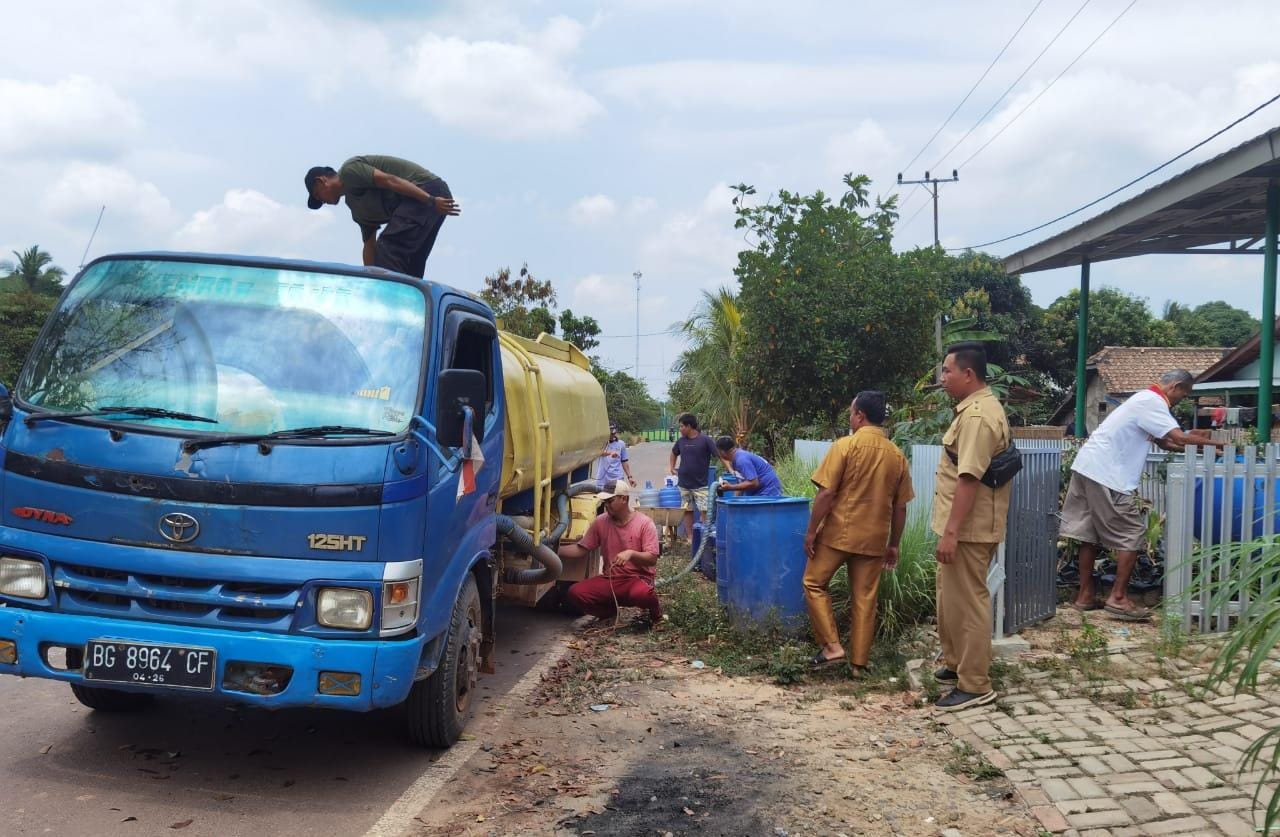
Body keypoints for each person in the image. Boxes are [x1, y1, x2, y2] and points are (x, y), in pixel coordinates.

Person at [1063, 369, 1226, 621]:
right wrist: (1221, 445)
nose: (1181, 400)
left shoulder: (1141, 400)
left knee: (1090, 535)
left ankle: (1085, 596)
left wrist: (1205, 448)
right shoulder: (1153, 402)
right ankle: (1117, 598)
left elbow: (1164, 443)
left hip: (1087, 467)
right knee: (1133, 533)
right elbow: (1179, 438)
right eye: (1184, 394)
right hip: (1108, 474)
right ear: (1176, 386)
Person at [802, 391, 913, 676]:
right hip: (875, 539)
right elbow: (900, 508)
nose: (850, 418)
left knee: (814, 583)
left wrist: (812, 531)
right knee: (865, 598)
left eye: (851, 413)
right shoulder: (897, 455)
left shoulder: (845, 446)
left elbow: (826, 494)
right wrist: (894, 544)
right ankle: (859, 665)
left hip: (839, 533)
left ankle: (832, 647)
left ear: (860, 416)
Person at [931, 342, 1012, 712]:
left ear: (968, 374)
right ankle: (956, 663)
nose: (942, 378)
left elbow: (969, 478)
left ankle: (976, 683)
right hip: (960, 526)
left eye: (947, 371)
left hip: (968, 529)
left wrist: (952, 532)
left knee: (968, 600)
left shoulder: (978, 416)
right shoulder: (970, 411)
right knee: (950, 597)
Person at [304, 154, 460, 278]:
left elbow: (390, 180)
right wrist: (370, 280)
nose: (323, 202)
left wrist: (431, 200)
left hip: (426, 190)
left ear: (321, 181)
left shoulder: (349, 171)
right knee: (411, 263)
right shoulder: (356, 206)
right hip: (428, 200)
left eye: (318, 195)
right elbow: (369, 245)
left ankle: (392, 298)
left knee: (388, 249)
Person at [559, 481, 662, 628]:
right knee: (576, 593)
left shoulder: (645, 523)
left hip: (637, 579)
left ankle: (656, 616)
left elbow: (652, 559)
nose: (606, 505)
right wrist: (553, 551)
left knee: (642, 594)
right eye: (604, 501)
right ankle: (609, 615)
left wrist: (631, 554)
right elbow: (581, 549)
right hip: (611, 579)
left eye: (610, 501)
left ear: (624, 499)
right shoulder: (601, 522)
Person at [668, 413, 719, 545]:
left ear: (689, 426)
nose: (680, 429)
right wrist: (672, 468)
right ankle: (690, 537)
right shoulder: (681, 441)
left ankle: (703, 536)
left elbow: (719, 455)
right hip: (684, 483)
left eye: (681, 426)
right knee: (687, 510)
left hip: (700, 484)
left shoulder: (705, 440)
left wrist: (730, 468)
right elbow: (673, 453)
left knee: (704, 510)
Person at [715, 436, 783, 497]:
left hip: (768, 491)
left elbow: (753, 483)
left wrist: (730, 487)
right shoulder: (736, 458)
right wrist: (734, 500)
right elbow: (741, 482)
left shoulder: (741, 460)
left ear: (722, 452)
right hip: (760, 490)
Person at [595, 422, 636, 488]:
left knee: (618, 498)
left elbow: (624, 462)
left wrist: (630, 477)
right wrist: (610, 453)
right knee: (602, 498)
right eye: (610, 433)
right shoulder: (601, 443)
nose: (612, 435)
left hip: (617, 479)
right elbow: (598, 453)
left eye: (613, 433)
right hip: (602, 480)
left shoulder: (621, 444)